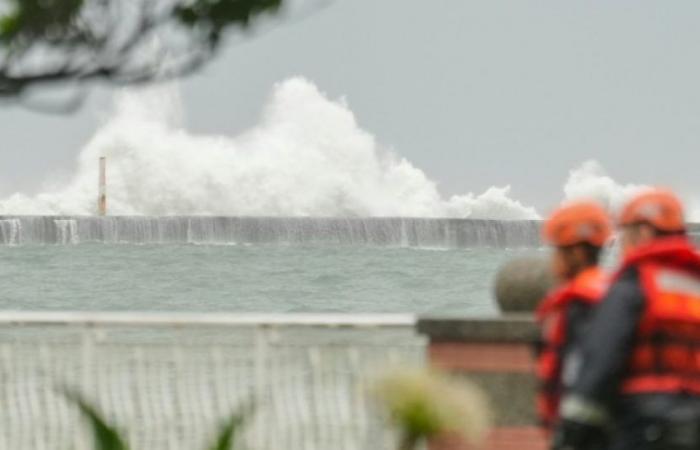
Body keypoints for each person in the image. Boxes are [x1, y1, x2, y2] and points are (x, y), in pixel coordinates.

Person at [555, 188, 700, 450]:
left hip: (642, 427)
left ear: (643, 233)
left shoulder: (634, 286)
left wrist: (571, 432)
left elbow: (601, 359)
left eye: (625, 233)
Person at [536, 201, 612, 433]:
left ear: (577, 253)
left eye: (558, 250)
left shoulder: (582, 304)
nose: (553, 259)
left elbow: (583, 370)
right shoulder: (610, 292)